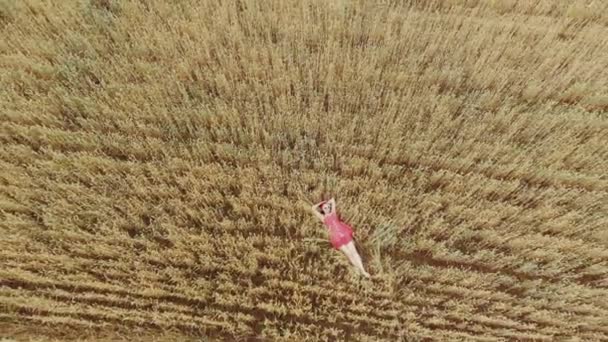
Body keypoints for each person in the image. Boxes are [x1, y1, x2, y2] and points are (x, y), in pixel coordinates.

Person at [311, 198, 371, 278]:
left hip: (344, 233)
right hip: (336, 238)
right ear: (322, 210)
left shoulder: (333, 213)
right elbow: (313, 208)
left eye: (328, 207)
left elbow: (332, 200)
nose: (327, 209)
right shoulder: (323, 218)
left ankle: (363, 271)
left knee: (354, 252)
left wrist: (327, 203)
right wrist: (322, 203)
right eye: (325, 208)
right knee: (349, 254)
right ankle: (358, 270)